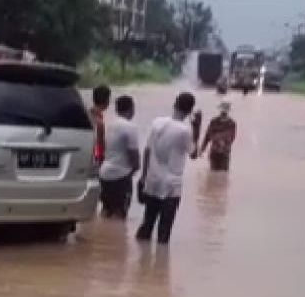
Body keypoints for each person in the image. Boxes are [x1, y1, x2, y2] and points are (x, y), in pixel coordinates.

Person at [136, 91, 199, 245]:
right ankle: (160, 265)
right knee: (164, 232)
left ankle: (142, 262)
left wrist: (143, 177)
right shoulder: (185, 131)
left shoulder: (157, 122)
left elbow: (147, 150)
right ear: (190, 110)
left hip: (153, 180)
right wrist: (197, 128)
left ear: (174, 104)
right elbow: (194, 154)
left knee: (147, 223)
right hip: (172, 186)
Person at [99, 95, 140, 219]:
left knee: (105, 211)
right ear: (132, 109)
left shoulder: (109, 125)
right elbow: (133, 153)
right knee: (119, 215)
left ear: (116, 109)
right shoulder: (131, 127)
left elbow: (101, 147)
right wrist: (135, 168)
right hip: (120, 176)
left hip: (104, 174)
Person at [200, 101, 237, 171]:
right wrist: (202, 149)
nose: (223, 112)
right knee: (213, 173)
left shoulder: (232, 123)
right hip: (214, 151)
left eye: (225, 110)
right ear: (220, 110)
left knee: (223, 175)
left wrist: (217, 138)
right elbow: (207, 136)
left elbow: (232, 137)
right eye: (223, 110)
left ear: (228, 111)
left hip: (225, 153)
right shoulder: (213, 121)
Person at [90, 84, 111, 164]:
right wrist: (101, 161)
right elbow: (99, 146)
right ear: (106, 100)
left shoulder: (87, 114)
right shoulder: (99, 123)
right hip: (93, 160)